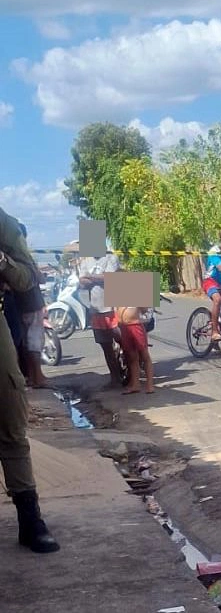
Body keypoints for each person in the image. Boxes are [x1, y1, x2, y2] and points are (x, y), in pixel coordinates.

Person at [0, 206, 59, 553]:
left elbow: (28, 277)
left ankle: (30, 519)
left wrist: (3, 263)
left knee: (10, 417)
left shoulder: (2, 223)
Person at [76, 247, 123, 387]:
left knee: (124, 342)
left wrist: (90, 277)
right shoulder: (86, 261)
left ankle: (133, 375)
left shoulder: (111, 257)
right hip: (96, 310)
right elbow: (82, 283)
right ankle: (115, 378)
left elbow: (110, 278)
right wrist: (97, 278)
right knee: (106, 346)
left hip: (113, 308)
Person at [14, 223, 51, 389]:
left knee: (25, 342)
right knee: (35, 342)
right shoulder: (24, 257)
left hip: (18, 304)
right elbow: (41, 279)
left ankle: (32, 376)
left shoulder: (9, 256)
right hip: (31, 302)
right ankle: (38, 376)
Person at [115, 305, 154, 394]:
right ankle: (135, 384)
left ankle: (150, 385)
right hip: (123, 326)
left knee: (144, 355)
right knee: (131, 357)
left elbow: (145, 309)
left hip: (135, 325)